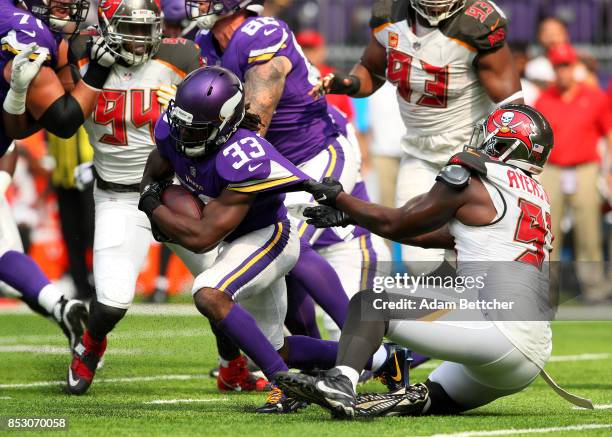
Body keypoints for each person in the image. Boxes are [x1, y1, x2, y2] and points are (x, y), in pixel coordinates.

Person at [276, 104, 558, 418]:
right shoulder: (535, 196)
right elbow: (433, 236)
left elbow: (401, 223)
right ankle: (410, 399)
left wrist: (342, 199)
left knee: (370, 304)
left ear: (502, 142)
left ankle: (340, 382)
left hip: (496, 331)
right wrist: (350, 216)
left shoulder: (476, 179)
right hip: (529, 354)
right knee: (426, 399)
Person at [186, 0, 359, 389]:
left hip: (315, 153)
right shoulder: (204, 40)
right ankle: (318, 363)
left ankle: (361, 345)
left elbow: (257, 113)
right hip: (270, 161)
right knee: (283, 262)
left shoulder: (260, 32)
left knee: (290, 244)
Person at [312, 0, 523, 274]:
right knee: (417, 257)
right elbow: (371, 70)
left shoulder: (476, 24)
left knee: (478, 250)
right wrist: (347, 83)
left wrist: (505, 158)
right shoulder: (389, 15)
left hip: (473, 153)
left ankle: (480, 309)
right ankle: (450, 309)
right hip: (419, 152)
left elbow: (512, 102)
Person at [63, 0, 206, 395]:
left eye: (148, 28)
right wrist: (93, 69)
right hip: (118, 197)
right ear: (107, 24)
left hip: (176, 190)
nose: (141, 39)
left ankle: (232, 366)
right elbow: (61, 116)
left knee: (219, 287)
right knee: (111, 302)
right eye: (131, 27)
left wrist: (184, 109)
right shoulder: (79, 55)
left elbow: (216, 121)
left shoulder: (181, 56)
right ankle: (90, 344)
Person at [0, 0, 114, 355]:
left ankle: (61, 307)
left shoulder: (43, 31)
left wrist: (20, 96)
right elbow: (63, 120)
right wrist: (97, 70)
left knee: (6, 256)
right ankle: (62, 307)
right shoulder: (24, 29)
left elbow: (19, 128)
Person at [536, 43, 612, 303]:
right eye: (558, 66)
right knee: (547, 232)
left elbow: (609, 133)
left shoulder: (593, 97)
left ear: (574, 67)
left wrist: (610, 168)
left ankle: (594, 288)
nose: (563, 72)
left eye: (566, 66)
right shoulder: (545, 98)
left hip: (586, 168)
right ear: (553, 69)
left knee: (589, 232)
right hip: (553, 169)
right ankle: (545, 289)